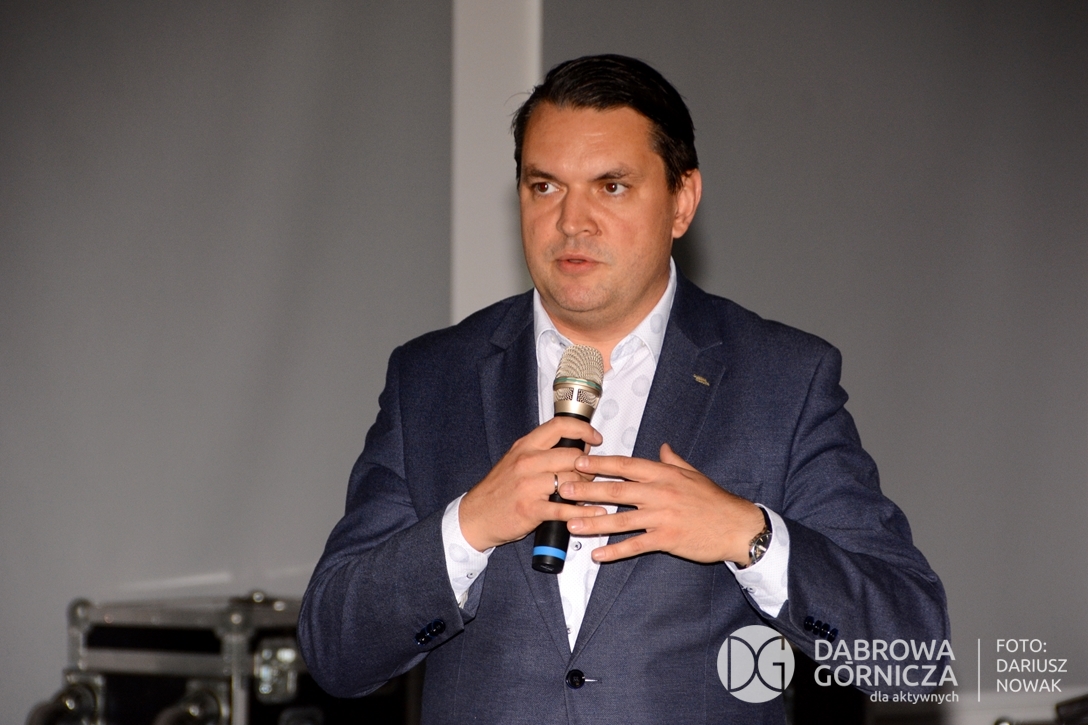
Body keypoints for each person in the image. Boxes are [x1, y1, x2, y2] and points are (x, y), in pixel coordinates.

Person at [298, 54, 949, 724]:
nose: (571, 222)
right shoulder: (433, 377)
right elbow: (333, 652)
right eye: (545, 186)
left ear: (681, 201)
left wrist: (747, 535)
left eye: (611, 187)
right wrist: (468, 526)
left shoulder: (781, 379)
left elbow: (915, 657)